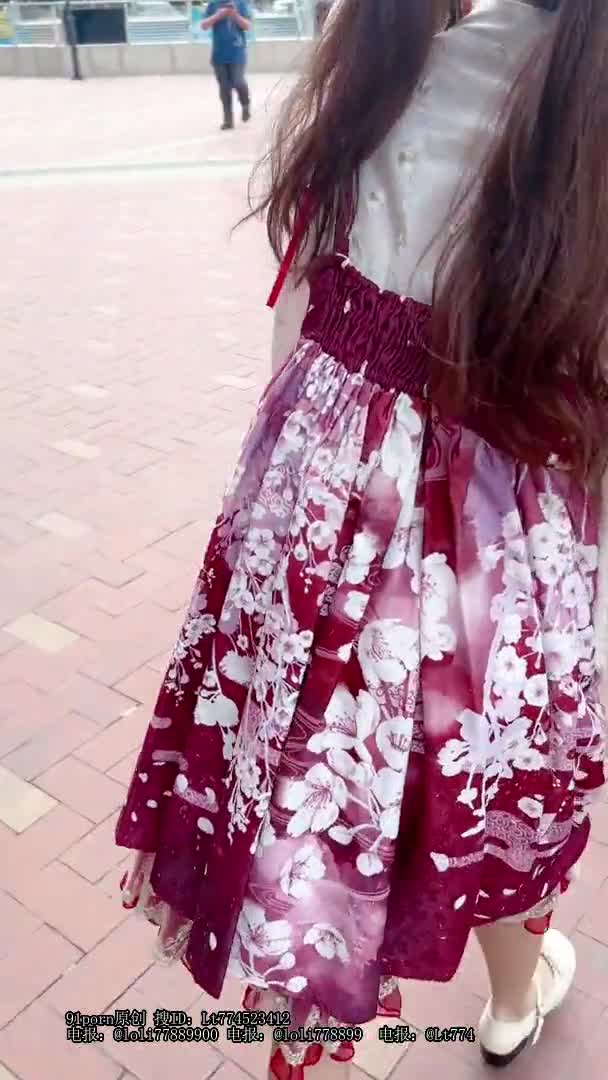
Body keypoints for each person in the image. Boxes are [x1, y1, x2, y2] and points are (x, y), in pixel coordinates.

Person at [116, 1, 608, 1074]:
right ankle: (512, 1001)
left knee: (318, 816)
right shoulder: (574, 92)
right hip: (503, 549)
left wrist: (291, 499)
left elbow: (297, 325)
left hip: (321, 500)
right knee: (490, 793)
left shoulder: (389, 62)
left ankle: (333, 1040)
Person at [203, 0, 251, 130]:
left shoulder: (241, 3)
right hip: (219, 54)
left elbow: (247, 26)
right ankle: (228, 119)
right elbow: (204, 25)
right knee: (224, 88)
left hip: (237, 52)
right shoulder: (213, 4)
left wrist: (234, 15)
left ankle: (245, 104)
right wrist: (218, 15)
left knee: (238, 81)